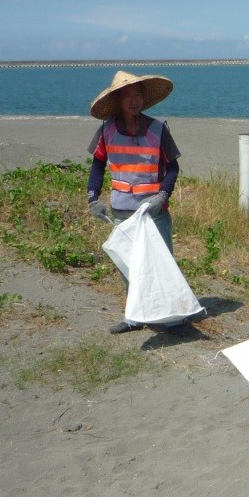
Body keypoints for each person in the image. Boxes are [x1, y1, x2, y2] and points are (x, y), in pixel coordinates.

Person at [86, 70, 184, 335]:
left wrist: (162, 196)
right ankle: (134, 317)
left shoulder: (158, 129)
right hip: (121, 212)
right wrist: (92, 198)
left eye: (137, 94)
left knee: (161, 264)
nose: (133, 101)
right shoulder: (106, 130)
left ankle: (172, 319)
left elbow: (172, 168)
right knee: (127, 265)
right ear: (118, 101)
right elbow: (97, 166)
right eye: (127, 96)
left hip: (154, 212)